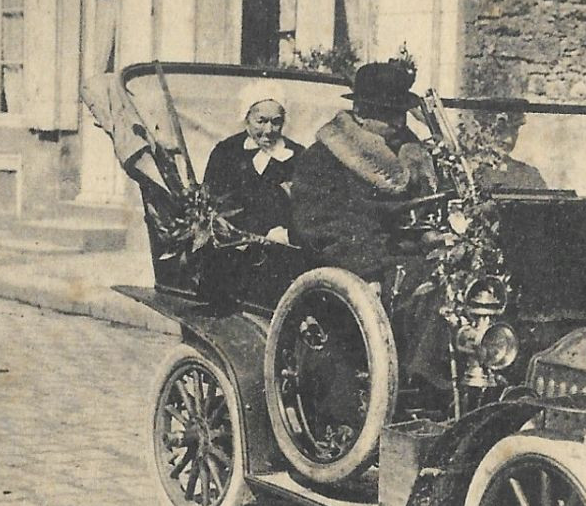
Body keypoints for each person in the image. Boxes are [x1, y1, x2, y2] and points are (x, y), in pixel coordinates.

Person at [291, 60, 446, 386]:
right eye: (386, 114)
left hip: (411, 258)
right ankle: (424, 384)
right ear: (360, 113)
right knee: (434, 287)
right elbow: (321, 227)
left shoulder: (414, 156)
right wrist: (368, 270)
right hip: (357, 266)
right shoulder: (324, 158)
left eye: (400, 114)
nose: (397, 123)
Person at [202, 80, 302, 241]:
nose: (268, 130)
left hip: (284, 248)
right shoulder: (226, 152)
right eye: (261, 121)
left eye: (276, 122)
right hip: (233, 247)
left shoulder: (297, 155)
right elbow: (210, 203)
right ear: (247, 118)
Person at [473, 103, 548, 192]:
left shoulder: (530, 176)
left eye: (515, 130)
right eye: (501, 130)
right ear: (482, 129)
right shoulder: (462, 172)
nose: (509, 140)